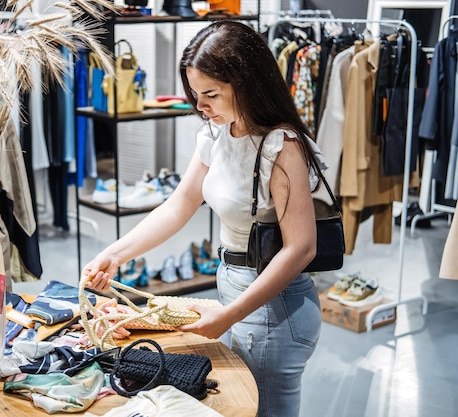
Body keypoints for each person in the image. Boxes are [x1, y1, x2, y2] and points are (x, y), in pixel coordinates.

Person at [83, 20, 324, 417]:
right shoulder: (217, 133)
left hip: (275, 306)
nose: (200, 106)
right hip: (238, 290)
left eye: (210, 94)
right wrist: (116, 253)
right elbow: (179, 206)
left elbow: (301, 248)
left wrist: (228, 315)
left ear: (246, 83)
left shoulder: (282, 146)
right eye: (195, 94)